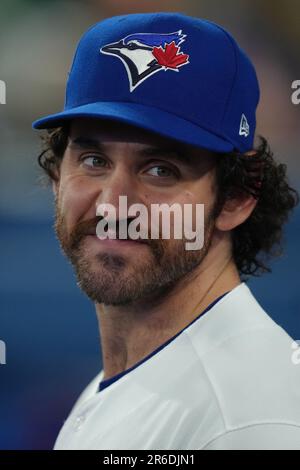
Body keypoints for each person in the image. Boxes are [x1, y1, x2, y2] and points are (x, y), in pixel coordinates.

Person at [33, 12, 300, 450]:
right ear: (58, 176)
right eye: (94, 161)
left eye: (160, 170)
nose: (112, 204)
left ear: (235, 198)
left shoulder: (248, 422)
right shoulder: (133, 378)